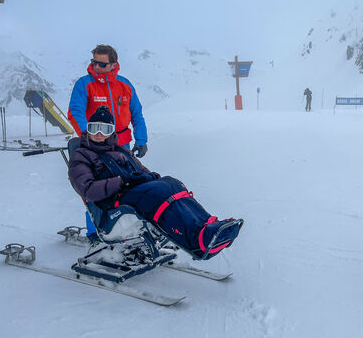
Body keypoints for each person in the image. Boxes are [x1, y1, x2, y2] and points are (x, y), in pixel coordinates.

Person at [67, 106, 242, 260]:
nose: (99, 134)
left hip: (130, 192)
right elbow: (88, 190)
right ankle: (197, 240)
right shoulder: (81, 155)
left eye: (104, 129)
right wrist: (122, 181)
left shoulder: (121, 150)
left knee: (171, 184)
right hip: (111, 204)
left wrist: (150, 177)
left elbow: (142, 170)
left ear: (112, 132)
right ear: (87, 130)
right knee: (157, 193)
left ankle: (207, 225)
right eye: (94, 128)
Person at [68, 44, 148, 242]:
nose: (95, 66)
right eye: (93, 61)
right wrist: (88, 136)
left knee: (128, 185)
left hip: (122, 144)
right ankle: (95, 232)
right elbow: (75, 111)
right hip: (96, 145)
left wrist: (142, 139)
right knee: (96, 190)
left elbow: (136, 113)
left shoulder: (124, 84)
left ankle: (126, 227)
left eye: (101, 63)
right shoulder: (85, 84)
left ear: (113, 64)